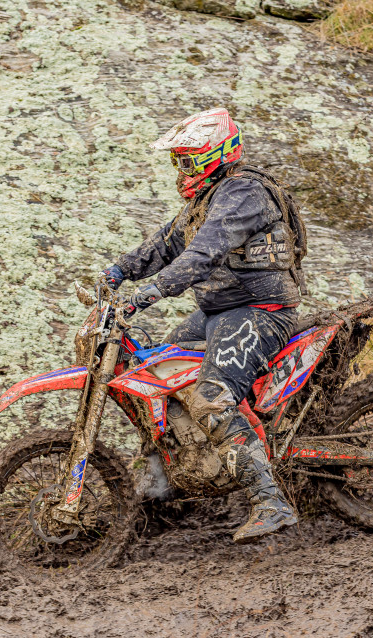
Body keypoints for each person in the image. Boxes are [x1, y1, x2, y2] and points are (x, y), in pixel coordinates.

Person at [99, 107, 308, 543]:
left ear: (215, 155)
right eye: (177, 160)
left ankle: (271, 502)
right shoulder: (206, 199)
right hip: (219, 310)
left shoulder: (244, 192)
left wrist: (151, 292)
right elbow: (165, 245)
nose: (181, 170)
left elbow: (204, 253)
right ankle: (165, 485)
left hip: (259, 310)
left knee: (211, 398)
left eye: (187, 160)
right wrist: (117, 272)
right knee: (158, 374)